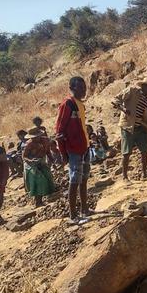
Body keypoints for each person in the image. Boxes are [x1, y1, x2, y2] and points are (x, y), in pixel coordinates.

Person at [112, 78, 147, 181]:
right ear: (144, 86)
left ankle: (144, 174)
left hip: (140, 127)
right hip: (128, 126)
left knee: (145, 150)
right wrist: (123, 108)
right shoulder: (131, 91)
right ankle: (125, 176)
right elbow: (115, 99)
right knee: (126, 153)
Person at [55, 76, 91, 225]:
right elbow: (59, 131)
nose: (84, 91)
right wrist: (63, 154)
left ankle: (84, 210)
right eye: (80, 88)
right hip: (74, 149)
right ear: (72, 88)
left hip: (85, 147)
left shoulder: (81, 105)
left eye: (84, 88)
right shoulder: (67, 104)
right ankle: (73, 215)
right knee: (74, 180)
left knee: (84, 179)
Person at [22, 127, 56, 207]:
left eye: (36, 137)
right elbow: (24, 157)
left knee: (48, 177)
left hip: (41, 161)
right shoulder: (29, 144)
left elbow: (48, 152)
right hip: (31, 163)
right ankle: (38, 202)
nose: (35, 139)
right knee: (37, 179)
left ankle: (48, 197)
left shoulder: (46, 141)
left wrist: (52, 161)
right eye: (33, 137)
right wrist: (31, 161)